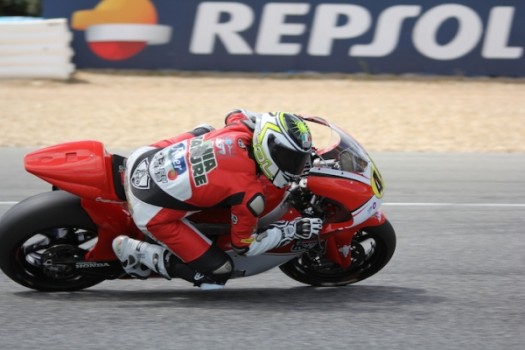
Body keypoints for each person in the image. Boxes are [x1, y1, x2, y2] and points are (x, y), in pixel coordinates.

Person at [112, 109, 323, 289]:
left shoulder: (240, 127)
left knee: (206, 129)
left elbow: (236, 112)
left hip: (142, 158)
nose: (295, 165)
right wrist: (290, 230)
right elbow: (245, 246)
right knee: (219, 272)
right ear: (269, 149)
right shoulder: (249, 192)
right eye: (291, 159)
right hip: (150, 209)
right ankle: (138, 255)